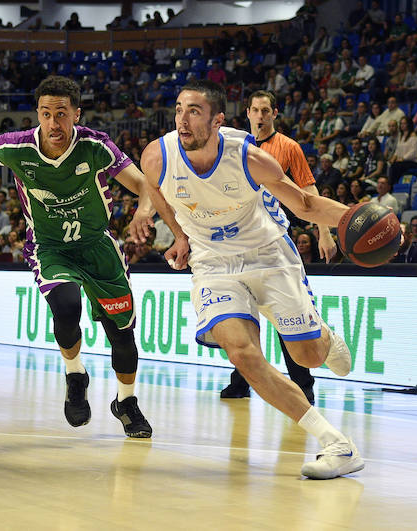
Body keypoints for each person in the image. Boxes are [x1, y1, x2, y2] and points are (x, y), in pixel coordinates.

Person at [0, 76, 160, 438]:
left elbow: (143, 184)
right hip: (50, 248)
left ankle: (126, 403)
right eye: (46, 114)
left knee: (121, 336)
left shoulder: (96, 145)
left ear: (76, 113)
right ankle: (75, 375)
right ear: (37, 115)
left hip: (98, 246)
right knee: (67, 307)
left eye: (61, 114)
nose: (54, 123)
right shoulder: (17, 146)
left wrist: (142, 210)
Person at [138, 80, 364, 479]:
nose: (182, 120)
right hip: (212, 264)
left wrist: (358, 218)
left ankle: (323, 337)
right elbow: (155, 191)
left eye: (193, 111)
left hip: (268, 256)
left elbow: (306, 204)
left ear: (217, 120)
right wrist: (178, 235)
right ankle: (336, 443)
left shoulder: (249, 157)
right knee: (242, 354)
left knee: (306, 357)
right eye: (178, 110)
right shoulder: (158, 155)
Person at [219, 90, 335, 404]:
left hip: (273, 244)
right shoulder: (234, 146)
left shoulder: (288, 147)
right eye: (255, 110)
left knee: (288, 315)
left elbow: (309, 191)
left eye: (265, 110)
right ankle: (242, 380)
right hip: (239, 245)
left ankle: (303, 384)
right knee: (243, 316)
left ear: (275, 113)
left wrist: (324, 232)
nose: (260, 115)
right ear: (247, 113)